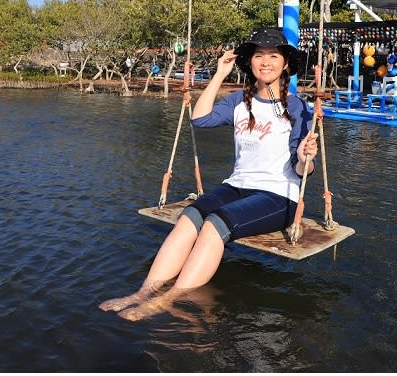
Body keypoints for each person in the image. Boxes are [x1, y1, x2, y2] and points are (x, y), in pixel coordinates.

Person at [100, 27, 319, 321]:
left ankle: (170, 298)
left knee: (216, 223)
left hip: (280, 195)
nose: (265, 62)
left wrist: (306, 157)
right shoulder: (239, 102)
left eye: (273, 56)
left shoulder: (298, 108)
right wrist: (219, 75)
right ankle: (143, 292)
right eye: (258, 56)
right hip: (238, 186)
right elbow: (200, 119)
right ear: (249, 62)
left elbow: (302, 170)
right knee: (190, 216)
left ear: (285, 63)